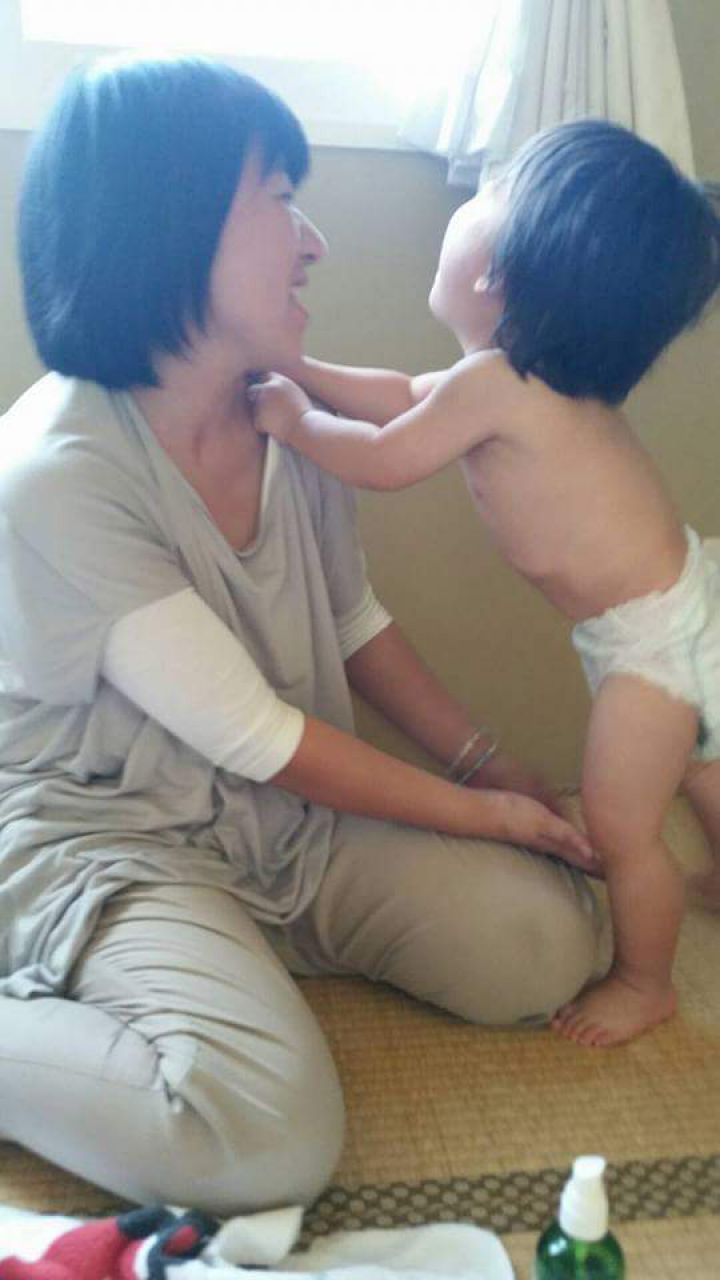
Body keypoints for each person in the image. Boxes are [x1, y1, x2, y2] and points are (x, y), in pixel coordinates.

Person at [0, 57, 601, 1215]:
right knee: (262, 1138)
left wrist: (487, 766)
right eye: (279, 196)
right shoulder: (55, 474)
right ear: (164, 221)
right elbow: (257, 733)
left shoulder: (284, 408)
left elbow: (351, 620)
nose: (313, 240)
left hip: (280, 820)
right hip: (112, 834)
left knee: (545, 941)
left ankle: (235, 954)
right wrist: (481, 816)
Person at [252, 119, 720, 1050]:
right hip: (684, 602)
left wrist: (294, 420)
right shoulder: (515, 380)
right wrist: (301, 368)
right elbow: (403, 396)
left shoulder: (498, 386)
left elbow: (387, 458)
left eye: (490, 192)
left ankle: (644, 982)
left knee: (624, 828)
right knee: (701, 767)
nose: (468, 201)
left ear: (497, 271)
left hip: (651, 645)